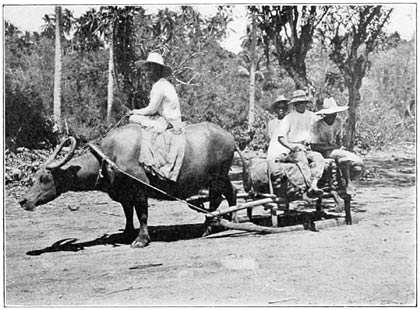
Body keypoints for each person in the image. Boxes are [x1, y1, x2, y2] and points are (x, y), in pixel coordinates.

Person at [267, 89, 325, 196]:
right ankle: (310, 186)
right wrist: (292, 147)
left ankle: (315, 183)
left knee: (318, 158)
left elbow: (318, 133)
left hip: (309, 147)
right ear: (294, 104)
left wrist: (312, 140)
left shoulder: (313, 116)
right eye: (298, 103)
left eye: (303, 102)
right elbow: (281, 137)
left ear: (307, 103)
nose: (301, 105)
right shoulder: (289, 118)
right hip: (295, 149)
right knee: (302, 159)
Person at [311, 97, 364, 195]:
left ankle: (347, 181)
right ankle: (348, 183)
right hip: (323, 152)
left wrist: (338, 146)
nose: (332, 116)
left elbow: (339, 141)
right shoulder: (317, 126)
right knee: (348, 158)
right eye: (330, 114)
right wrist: (330, 147)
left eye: (334, 113)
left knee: (357, 164)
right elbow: (314, 146)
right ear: (325, 114)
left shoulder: (338, 122)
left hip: (334, 151)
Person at [128, 52, 182, 132]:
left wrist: (135, 112)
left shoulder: (159, 86)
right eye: (147, 70)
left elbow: (152, 109)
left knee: (133, 118)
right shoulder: (165, 84)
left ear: (158, 71)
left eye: (150, 70)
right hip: (173, 119)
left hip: (168, 121)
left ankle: (154, 130)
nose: (147, 73)